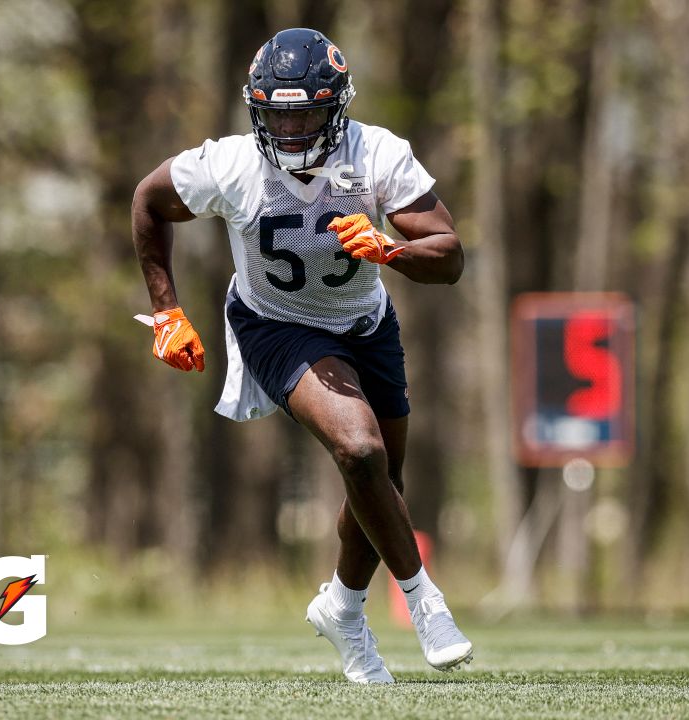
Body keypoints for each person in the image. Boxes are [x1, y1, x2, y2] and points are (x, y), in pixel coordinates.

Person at [130, 27, 472, 684]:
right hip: (275, 324)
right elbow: (149, 200)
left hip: (365, 324)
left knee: (380, 485)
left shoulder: (376, 154)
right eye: (277, 113)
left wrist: (388, 249)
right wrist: (167, 310)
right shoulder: (230, 164)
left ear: (336, 106)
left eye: (306, 112)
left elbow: (450, 256)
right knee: (361, 450)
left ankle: (342, 607)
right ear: (256, 109)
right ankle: (424, 602)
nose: (290, 129)